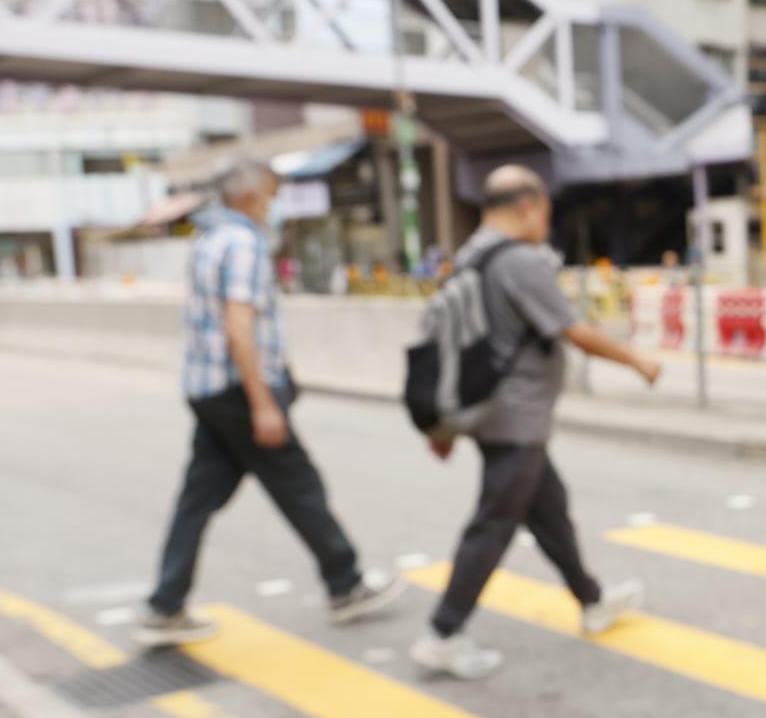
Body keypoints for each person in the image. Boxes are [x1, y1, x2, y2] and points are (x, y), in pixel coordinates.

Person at [412, 165, 662, 679]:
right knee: (494, 524)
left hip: (492, 413)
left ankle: (592, 601)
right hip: (515, 417)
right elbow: (574, 330)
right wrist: (637, 361)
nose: (547, 221)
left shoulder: (471, 257)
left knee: (550, 511)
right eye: (546, 210)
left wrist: (445, 424)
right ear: (527, 206)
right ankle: (442, 633)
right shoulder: (519, 261)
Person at [138, 160, 402, 645]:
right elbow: (239, 326)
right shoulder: (241, 243)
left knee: (198, 498)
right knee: (300, 486)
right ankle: (345, 583)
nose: (274, 207)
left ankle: (165, 603)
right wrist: (262, 403)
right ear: (252, 197)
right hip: (239, 392)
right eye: (271, 196)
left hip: (208, 391)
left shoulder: (208, 238)